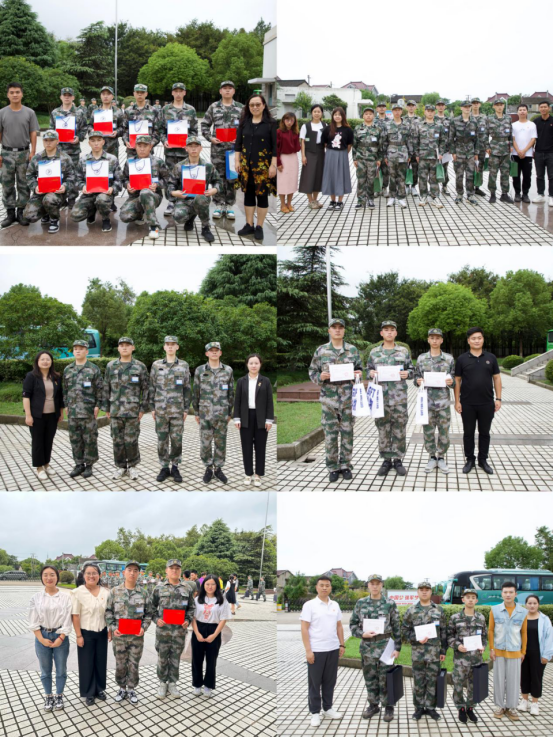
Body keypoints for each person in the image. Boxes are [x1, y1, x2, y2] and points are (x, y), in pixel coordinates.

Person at [309, 319, 363, 482]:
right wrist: (320, 377)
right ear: (329, 331)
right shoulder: (321, 351)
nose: (337, 330)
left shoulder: (352, 350)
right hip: (329, 401)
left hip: (348, 399)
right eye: (334, 327)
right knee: (331, 435)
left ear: (344, 330)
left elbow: (359, 369)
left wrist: (358, 374)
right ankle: (332, 467)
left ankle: (345, 465)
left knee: (347, 433)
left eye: (340, 328)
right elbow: (312, 371)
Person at [350, 574, 401, 723]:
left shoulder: (389, 604)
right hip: (367, 647)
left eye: (377, 583)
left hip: (386, 647)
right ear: (368, 585)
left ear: (381, 585)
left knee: (386, 678)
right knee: (370, 678)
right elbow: (353, 624)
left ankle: (389, 706)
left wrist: (398, 647)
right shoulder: (361, 603)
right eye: (372, 583)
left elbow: (396, 626)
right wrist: (362, 634)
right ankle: (373, 705)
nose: (375, 586)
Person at [367, 320, 414, 477]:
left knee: (399, 429)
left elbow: (411, 370)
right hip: (380, 398)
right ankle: (386, 460)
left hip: (399, 398)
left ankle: (398, 460)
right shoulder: (374, 352)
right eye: (386, 330)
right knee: (383, 429)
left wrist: (407, 373)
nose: (389, 332)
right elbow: (368, 370)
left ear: (396, 333)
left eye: (392, 330)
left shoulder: (403, 351)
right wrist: (370, 373)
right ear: (381, 333)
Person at [454, 327, 501, 475]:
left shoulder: (491, 358)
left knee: (484, 433)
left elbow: (496, 378)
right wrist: (457, 401)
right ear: (468, 341)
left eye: (479, 338)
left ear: (483, 339)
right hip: (467, 403)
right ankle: (470, 459)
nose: (476, 341)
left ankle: (483, 460)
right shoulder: (462, 359)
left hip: (487, 403)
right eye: (473, 338)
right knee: (468, 433)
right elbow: (457, 380)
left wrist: (498, 398)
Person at [105, 561, 153, 704]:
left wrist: (144, 627)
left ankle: (131, 688)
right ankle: (122, 688)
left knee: (134, 663)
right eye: (129, 570)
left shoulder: (144, 593)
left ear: (139, 574)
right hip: (119, 636)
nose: (132, 573)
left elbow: (149, 613)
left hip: (136, 637)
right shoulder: (114, 592)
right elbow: (108, 612)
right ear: (124, 572)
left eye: (135, 570)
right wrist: (113, 628)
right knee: (120, 664)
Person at [300, 575, 345, 728]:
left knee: (330, 681)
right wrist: (308, 650)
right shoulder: (309, 605)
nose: (324, 588)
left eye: (327, 585)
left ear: (330, 588)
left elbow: (339, 626)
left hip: (332, 649)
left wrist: (342, 644)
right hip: (317, 650)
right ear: (316, 587)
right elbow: (304, 628)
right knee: (315, 683)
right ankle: (314, 712)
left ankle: (328, 708)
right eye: (322, 585)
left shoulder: (335, 605)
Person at [101, 337, 149, 480]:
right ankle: (121, 466)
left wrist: (143, 409)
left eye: (128, 345)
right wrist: (106, 407)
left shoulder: (140, 366)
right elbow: (106, 387)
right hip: (115, 410)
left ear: (133, 348)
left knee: (131, 440)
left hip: (133, 411)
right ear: (118, 348)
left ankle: (133, 466)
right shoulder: (111, 366)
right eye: (121, 345)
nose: (124, 347)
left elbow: (146, 389)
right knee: (117, 440)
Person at [401, 581, 447, 720]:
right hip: (418, 653)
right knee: (419, 681)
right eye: (421, 589)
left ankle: (431, 708)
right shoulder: (411, 610)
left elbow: (444, 632)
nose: (424, 591)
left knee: (432, 681)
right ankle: (419, 708)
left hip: (434, 653)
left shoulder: (439, 610)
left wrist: (443, 651)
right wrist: (416, 638)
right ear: (418, 592)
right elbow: (404, 630)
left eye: (427, 589)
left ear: (431, 592)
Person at [29, 566, 72, 712]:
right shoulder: (36, 598)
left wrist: (61, 637)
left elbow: (67, 620)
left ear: (57, 577)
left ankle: (59, 695)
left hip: (60, 636)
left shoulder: (65, 597)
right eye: (45, 575)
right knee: (45, 670)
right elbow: (33, 621)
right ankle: (48, 696)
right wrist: (41, 639)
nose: (49, 578)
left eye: (52, 575)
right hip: (42, 635)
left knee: (61, 669)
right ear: (42, 577)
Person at [234, 93, 277, 241]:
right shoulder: (244, 123)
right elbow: (238, 144)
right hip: (246, 166)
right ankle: (249, 225)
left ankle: (259, 226)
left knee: (262, 196)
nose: (255, 107)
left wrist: (273, 165)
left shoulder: (271, 124)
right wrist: (237, 161)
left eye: (258, 104)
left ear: (264, 105)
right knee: (248, 195)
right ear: (248, 107)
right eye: (252, 105)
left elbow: (275, 147)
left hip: (263, 167)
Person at [149, 335, 191, 484]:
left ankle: (175, 466)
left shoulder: (184, 365)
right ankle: (164, 467)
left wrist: (186, 409)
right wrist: (152, 407)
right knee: (162, 439)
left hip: (177, 410)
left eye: (173, 344)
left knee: (177, 439)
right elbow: (152, 387)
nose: (170, 346)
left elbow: (187, 388)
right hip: (160, 410)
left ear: (177, 347)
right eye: (168, 344)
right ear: (164, 347)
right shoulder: (156, 365)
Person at [152, 559, 195, 699]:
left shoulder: (187, 588)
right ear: (166, 570)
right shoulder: (159, 588)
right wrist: (156, 619)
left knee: (175, 658)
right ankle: (162, 683)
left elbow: (191, 608)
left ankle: (172, 683)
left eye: (177, 568)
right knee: (162, 658)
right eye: (172, 568)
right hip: (163, 631)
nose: (174, 570)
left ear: (180, 571)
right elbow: (151, 608)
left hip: (179, 632)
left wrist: (187, 620)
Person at [192, 342, 235, 485]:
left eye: (217, 350)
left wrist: (230, 412)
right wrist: (196, 412)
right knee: (205, 443)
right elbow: (196, 392)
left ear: (220, 353)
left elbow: (231, 393)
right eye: (211, 350)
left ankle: (218, 468)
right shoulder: (200, 370)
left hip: (222, 413)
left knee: (220, 442)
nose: (214, 352)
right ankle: (208, 468)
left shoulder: (227, 370)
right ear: (207, 354)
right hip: (205, 413)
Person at [414, 329, 455, 474]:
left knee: (444, 432)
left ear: (442, 340)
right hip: (427, 403)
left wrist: (451, 382)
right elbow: (416, 377)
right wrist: (418, 381)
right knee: (428, 432)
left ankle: (441, 457)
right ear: (428, 340)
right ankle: (432, 456)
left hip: (443, 403)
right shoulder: (421, 359)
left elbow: (454, 379)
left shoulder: (449, 359)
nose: (435, 340)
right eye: (432, 338)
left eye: (438, 338)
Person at [201, 80, 243, 219]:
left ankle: (230, 205)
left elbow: (246, 127)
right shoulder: (214, 107)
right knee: (218, 177)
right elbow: (205, 125)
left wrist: (240, 139)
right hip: (217, 150)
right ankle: (218, 204)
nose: (227, 90)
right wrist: (210, 138)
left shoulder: (240, 108)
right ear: (220, 91)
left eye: (230, 88)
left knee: (232, 177)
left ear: (234, 91)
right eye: (224, 88)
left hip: (234, 150)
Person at [168, 135, 222, 242]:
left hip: (201, 197)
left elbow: (218, 181)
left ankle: (205, 228)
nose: (193, 149)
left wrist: (214, 190)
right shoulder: (179, 166)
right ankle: (190, 217)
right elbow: (170, 184)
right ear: (186, 148)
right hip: (184, 199)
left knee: (200, 199)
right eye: (190, 146)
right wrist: (174, 193)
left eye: (196, 146)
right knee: (178, 216)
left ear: (201, 148)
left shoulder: (208, 166)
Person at [62, 339, 103, 479]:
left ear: (86, 351)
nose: (78, 351)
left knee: (90, 438)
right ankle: (79, 464)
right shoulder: (68, 369)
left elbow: (100, 389)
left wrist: (97, 405)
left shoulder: (93, 369)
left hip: (88, 411)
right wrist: (66, 405)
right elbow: (65, 389)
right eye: (75, 349)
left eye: (81, 349)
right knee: (75, 438)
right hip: (73, 411)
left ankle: (89, 464)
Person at [0, 81, 39, 228]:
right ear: (8, 95)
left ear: (22, 94)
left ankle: (21, 212)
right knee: (7, 184)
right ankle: (10, 213)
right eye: (12, 92)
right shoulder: (2, 113)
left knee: (24, 184)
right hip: (7, 154)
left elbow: (33, 132)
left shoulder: (30, 113)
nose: (15, 95)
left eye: (17, 92)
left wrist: (33, 151)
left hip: (24, 153)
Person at [23, 129, 76, 233]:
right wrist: (35, 187)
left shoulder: (65, 158)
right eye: (46, 140)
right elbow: (29, 175)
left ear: (57, 141)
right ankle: (46, 212)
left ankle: (54, 219)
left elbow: (72, 176)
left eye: (51, 140)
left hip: (57, 192)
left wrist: (65, 186)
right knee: (28, 216)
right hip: (41, 192)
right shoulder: (37, 158)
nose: (48, 143)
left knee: (49, 199)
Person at [22, 350, 65, 481]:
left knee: (48, 440)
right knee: (38, 442)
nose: (45, 361)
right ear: (37, 361)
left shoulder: (56, 377)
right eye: (42, 359)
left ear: (51, 361)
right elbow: (26, 396)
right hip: (37, 416)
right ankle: (39, 467)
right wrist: (28, 415)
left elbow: (59, 396)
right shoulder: (31, 376)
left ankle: (46, 464)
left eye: (48, 359)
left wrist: (61, 412)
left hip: (52, 415)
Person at [157, 82, 198, 216]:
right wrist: (164, 140)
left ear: (184, 93)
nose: (178, 93)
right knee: (170, 177)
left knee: (184, 176)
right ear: (172, 93)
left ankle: (184, 201)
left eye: (181, 91)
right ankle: (171, 201)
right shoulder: (165, 110)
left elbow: (194, 130)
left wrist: (189, 143)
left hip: (185, 152)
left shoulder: (190, 110)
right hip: (170, 151)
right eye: (176, 91)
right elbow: (160, 129)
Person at [447, 588, 488, 724]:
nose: (470, 600)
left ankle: (470, 708)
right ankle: (460, 708)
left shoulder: (481, 618)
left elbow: (484, 636)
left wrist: (483, 646)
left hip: (476, 659)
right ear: (463, 599)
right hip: (461, 660)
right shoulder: (455, 618)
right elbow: (449, 636)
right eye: (468, 597)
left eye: (473, 597)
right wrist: (457, 645)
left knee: (474, 685)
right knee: (458, 685)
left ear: (476, 600)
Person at [233, 353, 274, 487]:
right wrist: (237, 418)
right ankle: (248, 473)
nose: (254, 365)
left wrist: (269, 420)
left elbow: (269, 401)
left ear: (260, 364)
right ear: (247, 365)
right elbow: (237, 401)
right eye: (251, 363)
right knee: (246, 447)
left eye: (256, 363)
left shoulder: (265, 381)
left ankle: (258, 474)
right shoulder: (241, 381)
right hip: (245, 417)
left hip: (261, 418)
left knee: (260, 447)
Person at [72, 563, 110, 706]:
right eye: (88, 573)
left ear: (99, 575)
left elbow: (109, 613)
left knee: (100, 661)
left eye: (94, 573)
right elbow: (75, 615)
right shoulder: (78, 592)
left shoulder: (106, 592)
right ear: (83, 575)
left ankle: (99, 689)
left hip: (102, 632)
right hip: (85, 633)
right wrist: (78, 635)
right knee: (86, 663)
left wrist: (110, 630)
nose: (91, 576)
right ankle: (88, 692)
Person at [489, 581, 528, 721]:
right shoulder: (494, 610)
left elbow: (524, 632)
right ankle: (500, 706)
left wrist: (523, 651)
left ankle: (512, 707)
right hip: (498, 651)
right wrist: (491, 648)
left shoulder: (523, 611)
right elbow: (491, 630)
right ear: (501, 594)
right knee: (499, 680)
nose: (508, 594)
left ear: (515, 594)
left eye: (511, 592)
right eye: (505, 592)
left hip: (515, 651)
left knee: (514, 681)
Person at [70, 130, 123, 233]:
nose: (96, 143)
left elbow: (119, 179)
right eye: (93, 141)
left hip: (105, 194)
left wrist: (112, 188)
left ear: (103, 142)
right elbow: (77, 178)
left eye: (99, 140)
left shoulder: (112, 159)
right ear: (89, 143)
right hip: (89, 194)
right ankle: (91, 211)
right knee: (75, 215)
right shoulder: (83, 160)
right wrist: (82, 186)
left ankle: (105, 219)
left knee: (101, 199)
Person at [120, 133, 170, 240]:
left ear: (150, 147)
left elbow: (167, 179)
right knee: (125, 216)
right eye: (139, 146)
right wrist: (127, 185)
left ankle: (153, 226)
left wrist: (157, 185)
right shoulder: (130, 162)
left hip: (153, 195)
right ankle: (141, 213)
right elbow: (124, 179)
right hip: (135, 196)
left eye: (145, 146)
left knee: (145, 192)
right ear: (135, 146)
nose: (142, 149)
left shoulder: (158, 162)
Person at [192, 575, 231, 697]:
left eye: (213, 584)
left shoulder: (222, 600)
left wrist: (214, 635)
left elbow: (223, 619)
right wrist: (197, 633)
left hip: (214, 629)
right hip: (199, 628)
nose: (210, 587)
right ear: (203, 585)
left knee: (211, 660)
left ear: (217, 585)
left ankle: (208, 685)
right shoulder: (197, 599)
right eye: (207, 584)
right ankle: (197, 684)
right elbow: (193, 617)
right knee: (196, 659)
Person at [49, 87, 87, 203]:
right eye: (64, 95)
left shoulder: (79, 113)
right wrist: (54, 140)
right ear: (61, 97)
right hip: (59, 150)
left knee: (73, 174)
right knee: (59, 173)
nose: (66, 97)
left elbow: (84, 128)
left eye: (69, 95)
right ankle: (60, 198)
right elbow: (51, 129)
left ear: (73, 97)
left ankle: (72, 199)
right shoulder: (55, 112)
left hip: (73, 150)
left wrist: (79, 137)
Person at [518, 594, 553, 715]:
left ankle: (535, 703)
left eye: (534, 603)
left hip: (538, 654)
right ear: (525, 605)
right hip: (523, 653)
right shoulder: (521, 618)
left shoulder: (544, 619)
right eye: (529, 603)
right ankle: (524, 701)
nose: (532, 605)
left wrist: (547, 655)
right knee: (524, 677)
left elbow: (549, 638)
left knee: (536, 678)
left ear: (538, 604)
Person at [321, 107, 353, 211]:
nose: (337, 116)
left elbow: (349, 144)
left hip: (342, 154)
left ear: (343, 116)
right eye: (335, 115)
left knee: (341, 176)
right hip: (330, 154)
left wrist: (343, 153)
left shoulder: (347, 129)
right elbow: (325, 143)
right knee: (331, 176)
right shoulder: (328, 129)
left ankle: (340, 201)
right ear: (333, 116)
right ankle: (332, 201)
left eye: (339, 115)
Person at [352, 106, 384, 209]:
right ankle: (361, 201)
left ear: (373, 116)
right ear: (363, 116)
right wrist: (354, 158)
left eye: (370, 114)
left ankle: (370, 199)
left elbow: (381, 146)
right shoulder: (358, 128)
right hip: (360, 158)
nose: (368, 116)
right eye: (366, 114)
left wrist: (379, 159)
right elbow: (354, 144)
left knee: (371, 180)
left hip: (372, 159)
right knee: (361, 180)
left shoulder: (378, 129)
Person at [414, 105, 445, 208]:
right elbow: (415, 141)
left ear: (434, 112)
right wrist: (417, 154)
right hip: (422, 156)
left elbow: (443, 141)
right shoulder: (419, 125)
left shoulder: (439, 126)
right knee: (422, 178)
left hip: (434, 157)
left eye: (432, 111)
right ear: (425, 112)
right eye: (428, 111)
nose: (430, 113)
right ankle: (423, 196)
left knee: (434, 178)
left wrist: (441, 153)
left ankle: (435, 197)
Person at [449, 101, 479, 205]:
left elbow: (477, 138)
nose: (467, 108)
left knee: (470, 174)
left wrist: (476, 152)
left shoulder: (474, 121)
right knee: (459, 175)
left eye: (469, 107)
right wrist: (453, 152)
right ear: (461, 108)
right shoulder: (455, 121)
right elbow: (451, 137)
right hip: (459, 151)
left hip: (470, 152)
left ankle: (470, 195)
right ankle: (459, 194)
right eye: (465, 107)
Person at [298, 104, 327, 208]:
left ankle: (315, 200)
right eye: (315, 111)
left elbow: (327, 140)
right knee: (308, 176)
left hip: (320, 152)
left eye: (319, 112)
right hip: (309, 152)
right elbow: (303, 141)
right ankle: (310, 201)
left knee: (318, 176)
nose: (316, 113)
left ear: (321, 113)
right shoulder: (305, 126)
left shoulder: (325, 125)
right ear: (311, 113)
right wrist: (303, 156)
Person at [383, 103, 411, 208]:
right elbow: (384, 141)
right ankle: (392, 196)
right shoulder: (387, 125)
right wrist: (385, 156)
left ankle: (401, 197)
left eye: (399, 110)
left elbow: (410, 141)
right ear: (392, 112)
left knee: (402, 177)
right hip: (391, 154)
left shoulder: (407, 125)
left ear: (402, 111)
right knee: (392, 176)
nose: (397, 112)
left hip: (403, 153)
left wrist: (410, 154)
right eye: (395, 110)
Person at [487, 98, 514, 204]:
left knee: (505, 173)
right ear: (494, 106)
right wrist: (487, 146)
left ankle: (504, 194)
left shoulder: (508, 118)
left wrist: (511, 144)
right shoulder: (489, 118)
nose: (499, 107)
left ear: (503, 106)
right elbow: (485, 134)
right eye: (497, 105)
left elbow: (511, 133)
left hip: (506, 149)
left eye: (501, 105)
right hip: (494, 148)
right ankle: (492, 194)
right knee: (493, 173)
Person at [123, 83, 159, 160]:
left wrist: (152, 143)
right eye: (137, 92)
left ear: (146, 94)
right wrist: (126, 141)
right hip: (132, 150)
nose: (140, 94)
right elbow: (125, 130)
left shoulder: (153, 111)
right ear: (134, 93)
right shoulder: (128, 111)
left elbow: (157, 131)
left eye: (142, 92)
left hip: (148, 151)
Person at [88, 85, 125, 160]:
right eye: (103, 94)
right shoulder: (95, 112)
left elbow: (123, 127)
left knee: (113, 166)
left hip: (113, 148)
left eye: (108, 94)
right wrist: (91, 130)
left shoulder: (118, 111)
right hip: (97, 147)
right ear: (100, 96)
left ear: (112, 96)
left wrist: (117, 132)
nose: (105, 96)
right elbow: (89, 126)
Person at [511, 104, 537, 203]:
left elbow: (533, 139)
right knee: (515, 175)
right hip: (515, 154)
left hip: (528, 154)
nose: (522, 111)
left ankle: (525, 194)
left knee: (527, 175)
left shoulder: (532, 124)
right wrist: (518, 151)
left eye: (524, 110)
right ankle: (517, 193)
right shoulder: (513, 125)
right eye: (520, 110)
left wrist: (524, 150)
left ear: (527, 112)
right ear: (517, 112)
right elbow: (513, 139)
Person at [277, 112, 300, 213]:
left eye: (291, 120)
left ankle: (289, 203)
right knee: (282, 182)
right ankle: (282, 204)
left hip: (293, 158)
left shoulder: (295, 132)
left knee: (292, 181)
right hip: (283, 158)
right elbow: (276, 148)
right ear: (283, 120)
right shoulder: (278, 132)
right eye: (287, 120)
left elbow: (297, 147)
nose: (289, 122)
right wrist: (278, 162)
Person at [532, 101, 553, 206]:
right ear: (539, 109)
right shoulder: (536, 122)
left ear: (549, 108)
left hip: (551, 153)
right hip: (539, 152)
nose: (543, 109)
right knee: (539, 175)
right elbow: (532, 137)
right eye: (541, 107)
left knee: (551, 176)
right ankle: (541, 194)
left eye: (545, 107)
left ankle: (551, 196)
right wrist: (532, 150)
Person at [470, 97, 489, 197]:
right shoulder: (467, 117)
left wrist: (487, 146)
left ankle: (477, 187)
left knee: (479, 167)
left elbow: (487, 132)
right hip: (469, 147)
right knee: (470, 168)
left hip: (481, 146)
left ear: (480, 104)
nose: (475, 105)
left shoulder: (484, 118)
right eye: (473, 103)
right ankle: (470, 187)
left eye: (477, 103)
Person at [404, 100, 421, 196]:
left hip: (416, 149)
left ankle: (414, 186)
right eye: (409, 106)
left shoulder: (419, 119)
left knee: (415, 169)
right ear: (406, 107)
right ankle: (406, 186)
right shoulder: (402, 119)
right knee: (405, 168)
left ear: (415, 107)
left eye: (412, 106)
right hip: (405, 149)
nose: (411, 107)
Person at [435, 100, 452, 196]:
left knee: (445, 168)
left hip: (446, 149)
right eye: (439, 105)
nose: (440, 107)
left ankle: (444, 186)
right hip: (434, 148)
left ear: (445, 107)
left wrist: (451, 148)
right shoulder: (433, 118)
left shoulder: (449, 120)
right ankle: (434, 187)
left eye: (442, 105)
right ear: (436, 107)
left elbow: (452, 134)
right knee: (433, 168)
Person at [375, 102, 390, 196]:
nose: (381, 108)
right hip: (375, 150)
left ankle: (384, 188)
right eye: (379, 107)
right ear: (377, 109)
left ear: (386, 109)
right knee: (375, 170)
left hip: (387, 150)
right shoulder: (373, 121)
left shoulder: (390, 121)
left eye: (383, 107)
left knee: (386, 170)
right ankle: (377, 189)